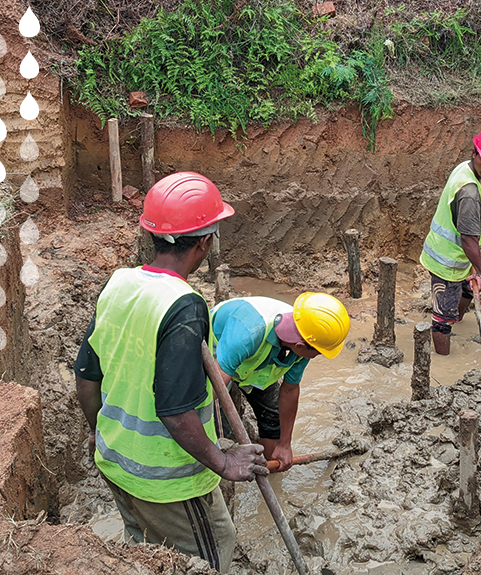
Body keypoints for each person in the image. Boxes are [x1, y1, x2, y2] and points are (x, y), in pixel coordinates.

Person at [73, 172, 267, 572]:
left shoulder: (119, 283)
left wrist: (102, 430)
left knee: (146, 552)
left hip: (115, 462)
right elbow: (176, 410)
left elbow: (86, 374)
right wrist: (222, 462)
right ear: (204, 240)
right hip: (167, 481)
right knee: (212, 552)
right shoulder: (184, 305)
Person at [209, 293, 350, 471]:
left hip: (257, 365)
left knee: (272, 417)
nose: (316, 357)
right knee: (220, 430)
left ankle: (270, 467)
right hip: (219, 357)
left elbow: (290, 390)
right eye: (318, 353)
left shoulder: (307, 335)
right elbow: (215, 386)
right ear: (300, 346)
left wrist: (285, 445)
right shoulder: (249, 332)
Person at [420, 125, 481, 355]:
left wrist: (474, 267)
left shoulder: (466, 169)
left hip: (458, 257)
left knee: (467, 292)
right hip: (447, 262)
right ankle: (443, 359)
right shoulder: (469, 191)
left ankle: (455, 317)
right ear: (474, 153)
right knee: (442, 319)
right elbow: (468, 239)